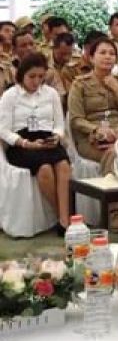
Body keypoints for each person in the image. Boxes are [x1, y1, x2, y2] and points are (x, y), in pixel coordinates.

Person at [0, 53, 72, 232]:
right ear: (22, 74)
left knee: (63, 164)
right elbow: (3, 130)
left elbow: (59, 124)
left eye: (40, 76)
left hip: (47, 138)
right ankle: (64, 217)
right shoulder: (10, 95)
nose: (36, 81)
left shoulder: (51, 93)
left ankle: (64, 220)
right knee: (45, 168)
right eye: (32, 76)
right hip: (22, 142)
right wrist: (24, 143)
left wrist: (56, 136)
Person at [67, 37, 118, 172]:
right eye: (102, 53)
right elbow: (76, 120)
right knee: (115, 155)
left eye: (112, 54)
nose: (108, 57)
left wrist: (117, 89)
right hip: (92, 138)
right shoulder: (80, 84)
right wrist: (97, 130)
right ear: (91, 58)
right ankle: (112, 191)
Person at [48, 33, 82, 101]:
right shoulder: (43, 61)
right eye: (62, 54)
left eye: (69, 53)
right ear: (54, 48)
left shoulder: (78, 61)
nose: (66, 58)